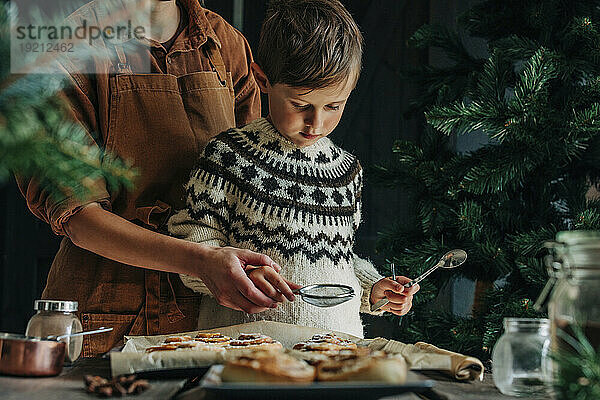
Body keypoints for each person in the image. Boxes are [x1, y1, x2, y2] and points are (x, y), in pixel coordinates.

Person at [16, 0, 288, 357]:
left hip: (210, 322)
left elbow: (249, 183)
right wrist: (201, 261)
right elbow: (80, 217)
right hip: (105, 320)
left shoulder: (226, 44)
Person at [168, 0, 420, 337]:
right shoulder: (228, 156)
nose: (317, 122)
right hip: (246, 351)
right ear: (262, 80)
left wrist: (373, 287)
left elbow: (336, 261)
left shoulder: (347, 171)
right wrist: (238, 276)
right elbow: (195, 250)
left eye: (334, 105)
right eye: (300, 105)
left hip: (336, 350)